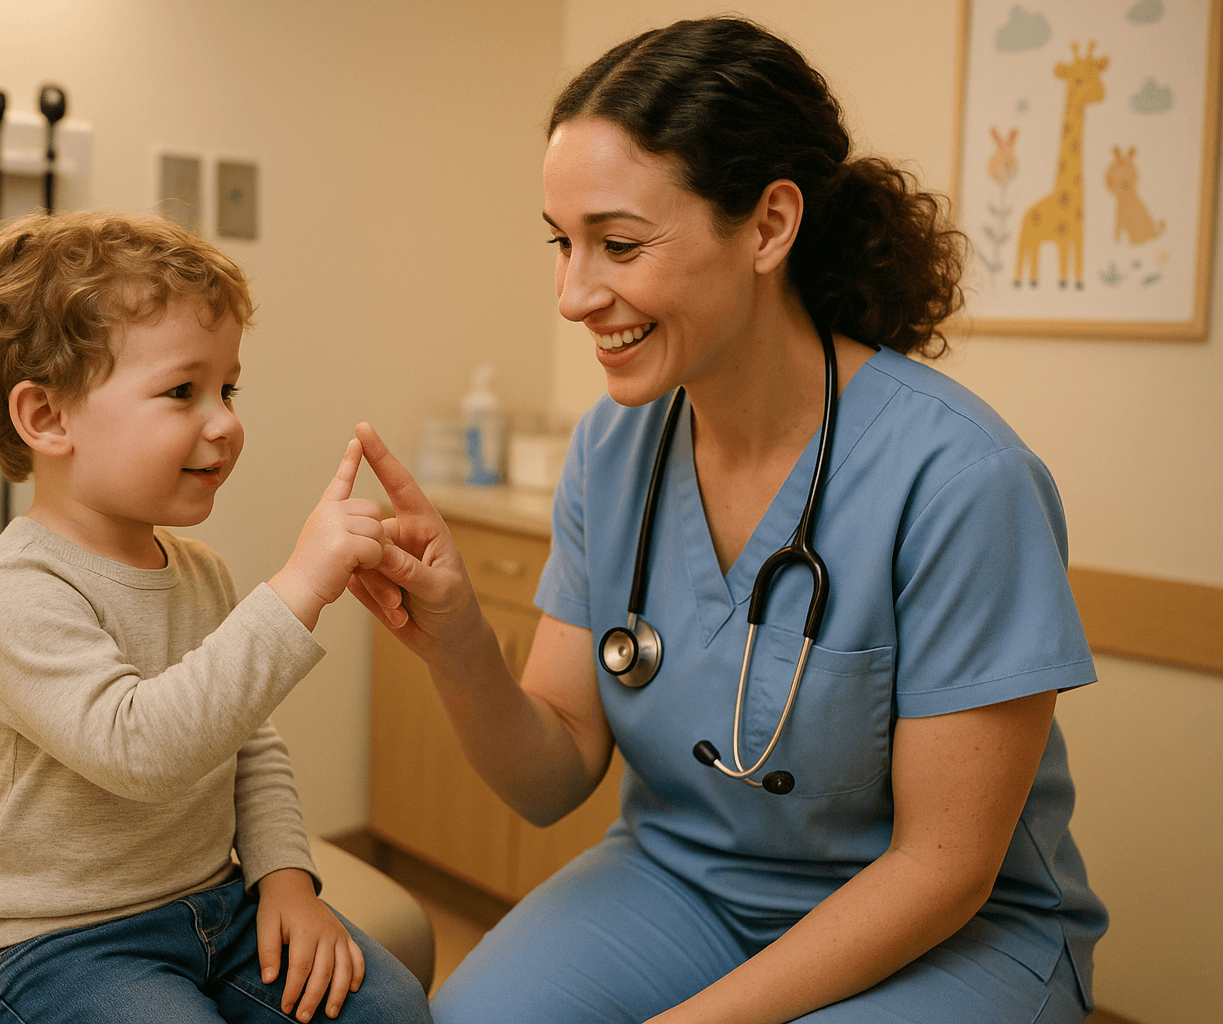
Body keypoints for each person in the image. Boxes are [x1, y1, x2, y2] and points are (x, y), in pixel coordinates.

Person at [348, 17, 1105, 1024]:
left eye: (617, 244)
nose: (574, 295)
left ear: (767, 226)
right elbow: (551, 774)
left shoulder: (960, 477)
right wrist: (457, 643)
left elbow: (943, 866)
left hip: (951, 931)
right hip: (682, 887)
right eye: (561, 244)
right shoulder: (614, 453)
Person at [0, 211, 432, 1024]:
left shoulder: (199, 573)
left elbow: (247, 743)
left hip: (216, 907)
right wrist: (299, 585)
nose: (225, 421)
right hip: (55, 943)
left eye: (227, 389)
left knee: (390, 1007)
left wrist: (284, 879)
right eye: (180, 391)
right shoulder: (13, 593)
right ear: (47, 418)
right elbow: (143, 751)